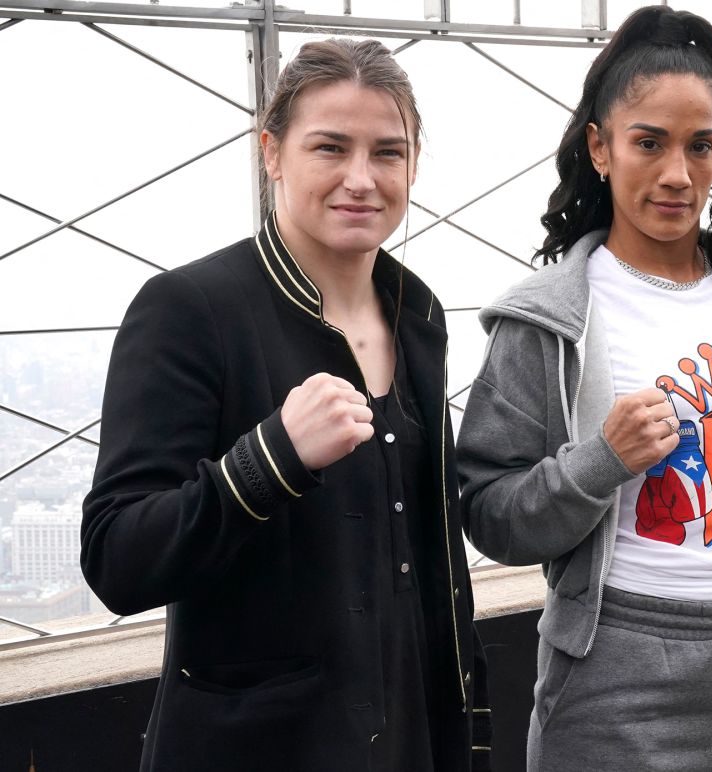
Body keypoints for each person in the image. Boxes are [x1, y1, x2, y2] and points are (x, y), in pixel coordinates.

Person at [456, 6, 712, 770]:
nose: (678, 174)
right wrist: (599, 462)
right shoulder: (549, 320)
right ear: (601, 147)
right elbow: (488, 514)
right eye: (649, 142)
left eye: (701, 146)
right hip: (611, 686)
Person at [82, 38, 490, 772]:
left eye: (388, 153)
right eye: (330, 147)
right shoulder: (191, 308)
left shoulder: (417, 312)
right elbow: (117, 558)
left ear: (415, 164)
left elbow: (436, 573)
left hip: (413, 745)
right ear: (271, 152)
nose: (361, 179)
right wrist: (270, 460)